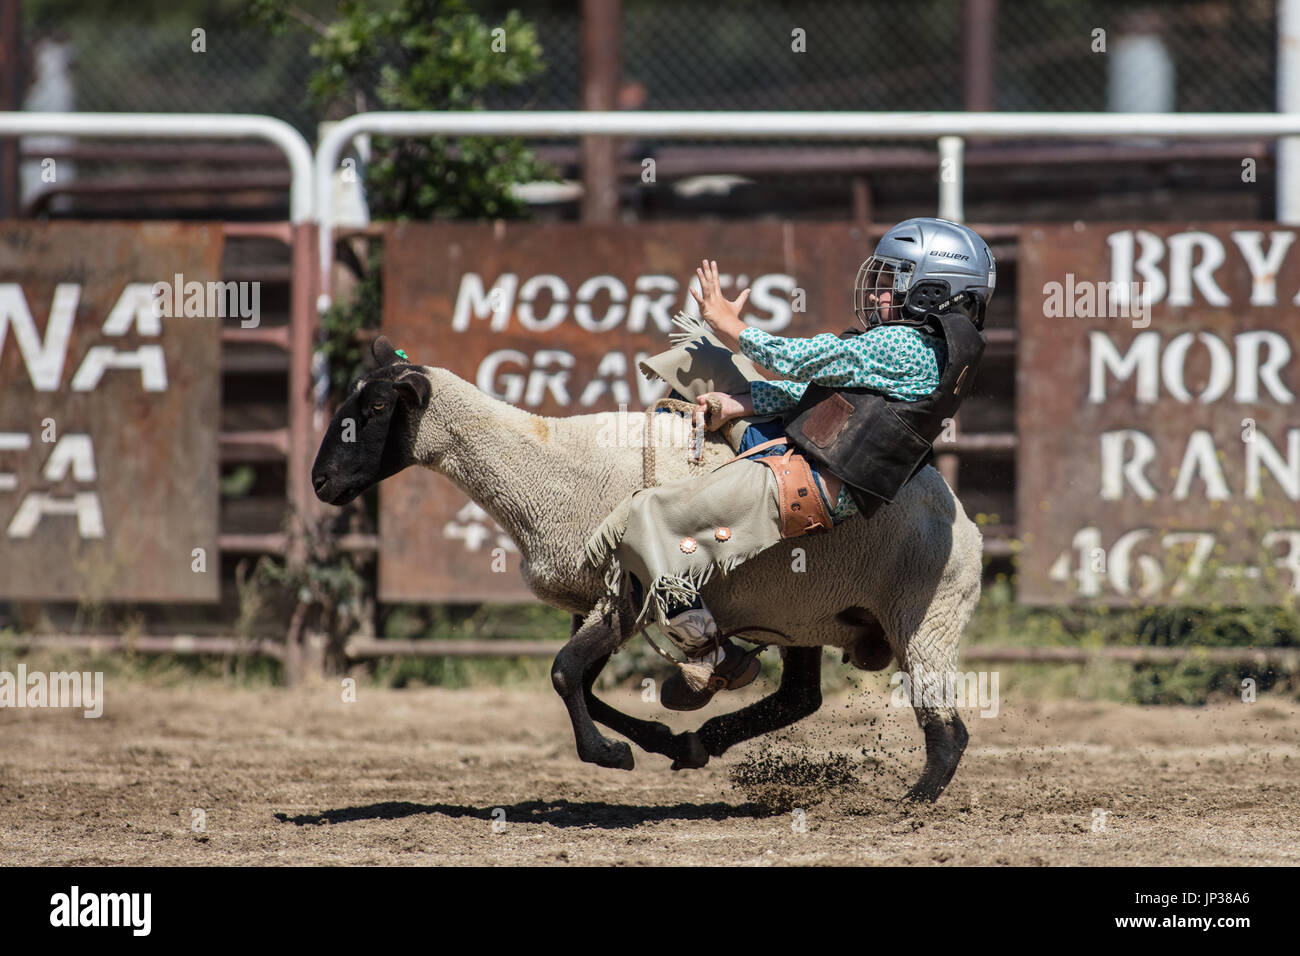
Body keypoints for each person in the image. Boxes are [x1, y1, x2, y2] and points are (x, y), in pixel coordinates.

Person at [584, 217, 995, 710]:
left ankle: (712, 657)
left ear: (933, 293)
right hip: (812, 466)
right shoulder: (933, 351)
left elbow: (801, 358)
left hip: (805, 482)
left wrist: (728, 325)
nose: (881, 294)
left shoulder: (904, 346)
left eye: (895, 283)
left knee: (643, 516)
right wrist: (741, 402)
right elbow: (815, 392)